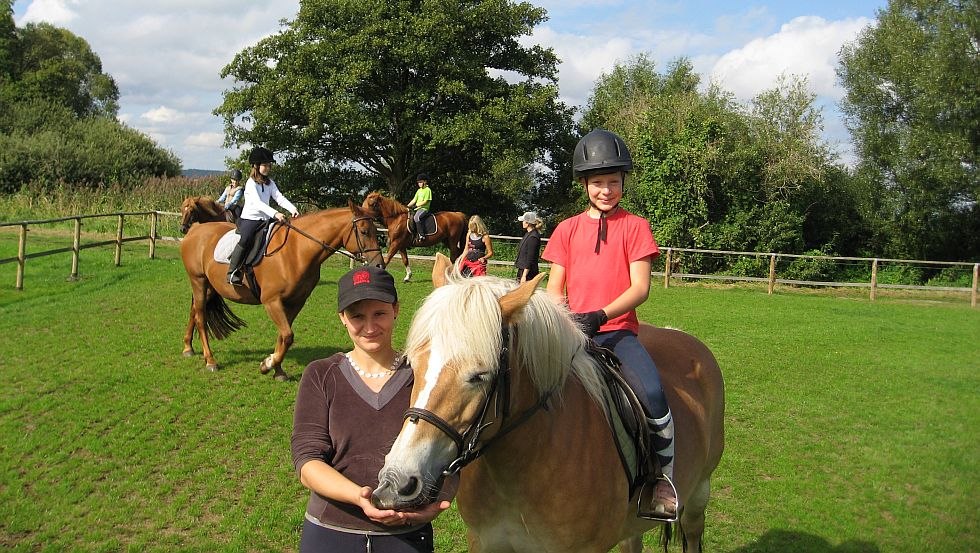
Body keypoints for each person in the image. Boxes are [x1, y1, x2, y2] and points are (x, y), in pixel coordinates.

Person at [541, 128, 677, 521]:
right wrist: (561, 319)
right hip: (572, 334)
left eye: (613, 182)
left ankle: (661, 480)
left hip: (617, 333)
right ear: (585, 184)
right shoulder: (566, 229)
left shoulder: (636, 227)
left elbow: (640, 288)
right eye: (598, 182)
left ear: (623, 183)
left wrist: (600, 315)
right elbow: (554, 288)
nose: (606, 190)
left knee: (652, 393)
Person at [291, 266, 453, 552]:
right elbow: (307, 462)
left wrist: (438, 504)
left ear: (395, 310)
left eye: (379, 313)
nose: (369, 327)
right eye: (357, 316)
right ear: (342, 318)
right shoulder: (321, 374)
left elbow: (451, 448)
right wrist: (358, 497)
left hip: (406, 536)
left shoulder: (423, 375)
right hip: (331, 532)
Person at [227, 146, 299, 285]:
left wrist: (292, 209)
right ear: (256, 165)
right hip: (251, 219)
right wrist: (276, 213)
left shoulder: (269, 183)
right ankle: (232, 271)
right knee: (246, 239)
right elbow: (258, 203)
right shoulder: (250, 183)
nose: (267, 168)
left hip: (266, 219)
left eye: (269, 165)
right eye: (264, 165)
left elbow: (279, 198)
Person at [514, 211, 543, 283]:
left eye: (523, 221)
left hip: (528, 273)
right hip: (522, 270)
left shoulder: (533, 237)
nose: (522, 223)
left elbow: (530, 258)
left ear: (528, 223)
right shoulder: (528, 234)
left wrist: (524, 276)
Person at [405, 173, 432, 243]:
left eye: (420, 182)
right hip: (417, 209)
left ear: (425, 182)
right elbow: (414, 200)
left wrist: (417, 205)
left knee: (416, 217)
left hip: (424, 209)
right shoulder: (419, 191)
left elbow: (426, 201)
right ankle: (413, 234)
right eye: (418, 182)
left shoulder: (428, 190)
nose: (419, 184)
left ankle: (421, 235)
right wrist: (407, 206)